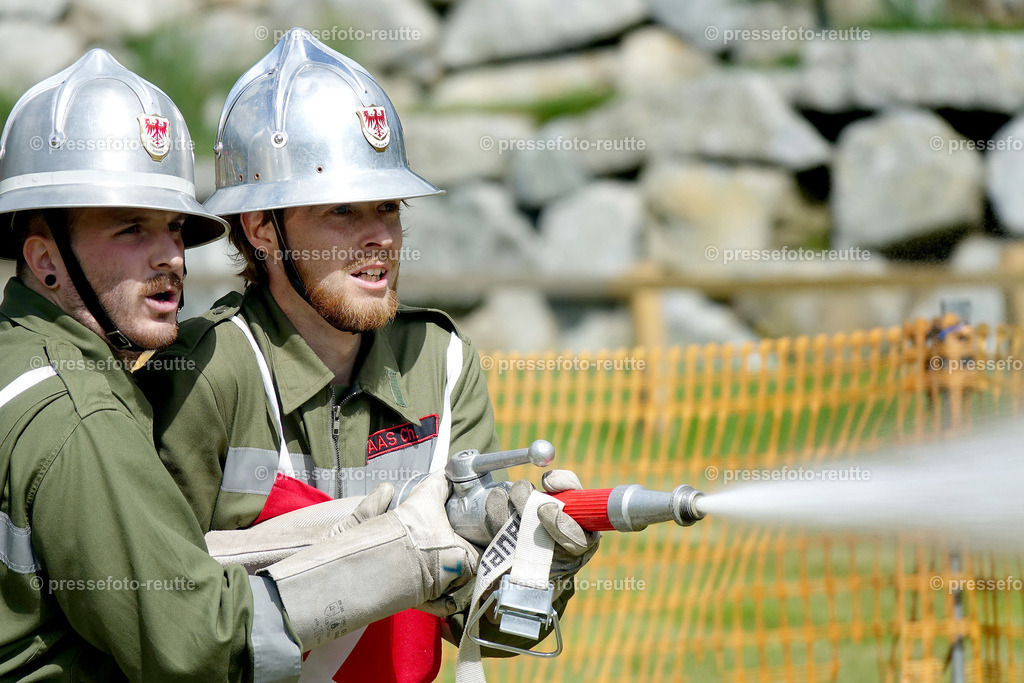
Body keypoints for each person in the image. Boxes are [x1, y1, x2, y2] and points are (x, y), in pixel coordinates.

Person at [0, 48, 480, 681]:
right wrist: (399, 557)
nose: (169, 255)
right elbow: (195, 640)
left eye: (174, 228)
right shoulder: (93, 412)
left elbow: (177, 566)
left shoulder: (441, 360)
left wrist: (526, 569)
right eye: (131, 230)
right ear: (45, 259)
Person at [137, 28, 600, 681]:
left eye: (389, 207)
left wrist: (537, 573)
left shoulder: (441, 361)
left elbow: (492, 633)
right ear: (262, 228)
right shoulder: (207, 371)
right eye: (343, 211)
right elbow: (159, 620)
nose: (379, 236)